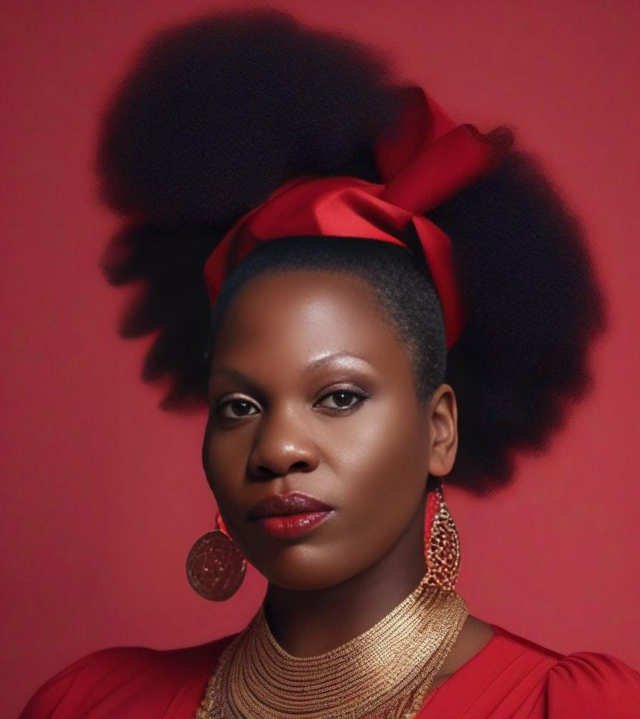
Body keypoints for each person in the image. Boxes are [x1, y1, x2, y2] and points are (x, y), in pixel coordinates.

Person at [19, 7, 640, 719]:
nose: (277, 449)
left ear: (439, 430)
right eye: (240, 406)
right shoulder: (91, 703)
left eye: (339, 396)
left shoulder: (565, 707)